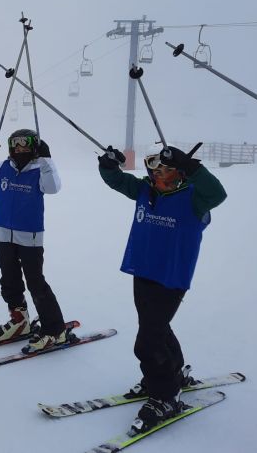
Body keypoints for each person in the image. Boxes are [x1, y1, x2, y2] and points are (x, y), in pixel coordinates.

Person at [97, 142, 226, 434]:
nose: (158, 174)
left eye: (165, 169)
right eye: (154, 168)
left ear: (179, 173)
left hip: (171, 277)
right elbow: (116, 179)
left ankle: (166, 395)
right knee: (156, 326)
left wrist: (194, 168)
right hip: (142, 270)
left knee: (147, 341)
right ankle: (173, 372)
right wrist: (108, 163)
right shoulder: (146, 190)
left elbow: (218, 194)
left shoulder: (195, 198)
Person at [0, 129, 74, 353]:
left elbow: (53, 187)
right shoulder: (3, 168)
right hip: (4, 233)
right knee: (9, 279)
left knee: (36, 282)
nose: (20, 149)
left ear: (34, 147)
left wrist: (46, 158)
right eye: (15, 145)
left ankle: (55, 330)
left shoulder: (39, 170)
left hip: (30, 237)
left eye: (25, 145)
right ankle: (19, 320)